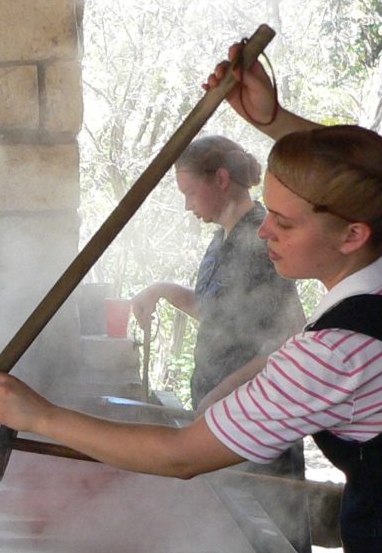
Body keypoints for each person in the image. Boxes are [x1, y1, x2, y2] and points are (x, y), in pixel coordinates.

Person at [0, 45, 382, 553]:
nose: (263, 231)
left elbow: (180, 456)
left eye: (284, 221)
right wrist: (271, 120)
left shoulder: (337, 350)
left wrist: (38, 414)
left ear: (351, 234)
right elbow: (374, 181)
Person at [130, 135, 304, 408]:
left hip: (254, 419)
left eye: (190, 193)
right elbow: (217, 314)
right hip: (219, 412)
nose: (188, 205)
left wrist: (222, 394)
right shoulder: (220, 238)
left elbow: (287, 339)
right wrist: (161, 289)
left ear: (221, 180)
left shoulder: (262, 242)